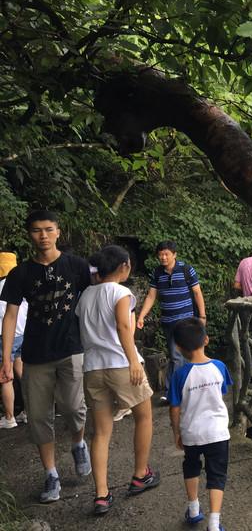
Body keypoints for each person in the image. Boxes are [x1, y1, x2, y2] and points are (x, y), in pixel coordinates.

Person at [0, 210, 92, 503]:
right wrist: (5, 358)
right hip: (34, 355)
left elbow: (94, 299)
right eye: (37, 230)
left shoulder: (76, 266)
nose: (43, 235)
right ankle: (51, 474)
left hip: (71, 349)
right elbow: (10, 315)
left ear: (58, 232)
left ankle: (79, 443)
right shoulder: (21, 273)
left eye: (48, 229)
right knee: (39, 417)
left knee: (75, 408)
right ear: (30, 234)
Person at [75, 245, 160, 515]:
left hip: (92, 368)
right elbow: (124, 326)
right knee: (144, 416)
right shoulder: (122, 292)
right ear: (124, 266)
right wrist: (134, 360)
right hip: (121, 365)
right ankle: (140, 474)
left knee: (100, 432)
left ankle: (101, 494)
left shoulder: (85, 295)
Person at [169, 317, 232, 531]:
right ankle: (214, 524)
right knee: (217, 475)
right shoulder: (220, 367)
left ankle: (194, 509)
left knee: (192, 466)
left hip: (192, 433)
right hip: (218, 433)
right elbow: (222, 393)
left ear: (178, 347)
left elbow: (174, 407)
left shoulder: (179, 375)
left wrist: (177, 432)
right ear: (206, 339)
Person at [136, 240, 206, 400]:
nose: (163, 257)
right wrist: (141, 316)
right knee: (177, 356)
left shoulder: (186, 270)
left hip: (185, 322)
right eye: (160, 254)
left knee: (178, 356)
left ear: (174, 254)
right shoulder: (157, 273)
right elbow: (151, 295)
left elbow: (197, 293)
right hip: (168, 322)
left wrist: (202, 317)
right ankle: (184, 389)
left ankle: (172, 392)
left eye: (166, 254)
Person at [0, 252, 28, 429]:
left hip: (5, 337)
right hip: (23, 334)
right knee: (23, 373)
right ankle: (30, 412)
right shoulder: (21, 284)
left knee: (5, 376)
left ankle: (9, 417)